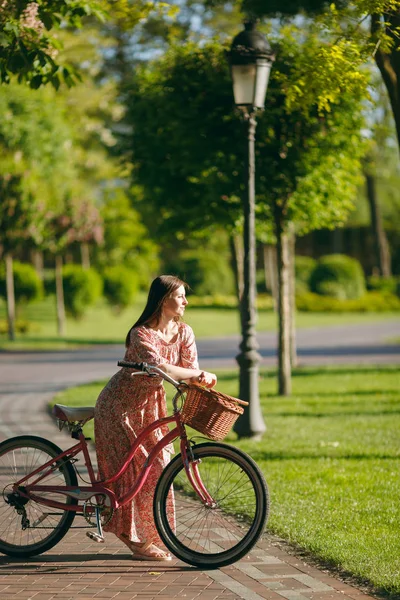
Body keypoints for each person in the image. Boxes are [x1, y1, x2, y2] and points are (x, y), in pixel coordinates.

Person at [94, 275, 217, 561]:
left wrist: (201, 380)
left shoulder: (185, 332)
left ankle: (152, 535)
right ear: (163, 300)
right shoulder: (141, 334)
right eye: (180, 296)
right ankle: (135, 541)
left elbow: (190, 370)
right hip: (118, 407)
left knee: (159, 466)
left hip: (151, 406)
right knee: (126, 473)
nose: (185, 302)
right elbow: (162, 368)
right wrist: (197, 375)